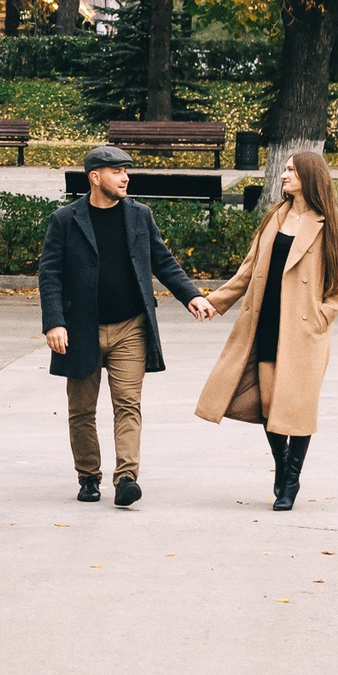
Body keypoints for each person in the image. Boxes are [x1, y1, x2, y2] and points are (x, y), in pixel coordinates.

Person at [39, 145, 215, 508]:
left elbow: (162, 262)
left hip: (130, 326)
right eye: (117, 171)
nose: (125, 177)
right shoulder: (65, 219)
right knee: (82, 409)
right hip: (80, 328)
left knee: (128, 404)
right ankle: (88, 475)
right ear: (95, 177)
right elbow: (50, 273)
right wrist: (54, 322)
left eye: (125, 171)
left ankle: (126, 478)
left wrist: (191, 296)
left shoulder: (139, 216)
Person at [194, 149, 338, 511]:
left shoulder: (332, 225)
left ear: (310, 178)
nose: (284, 175)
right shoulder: (274, 217)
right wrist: (215, 302)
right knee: (270, 404)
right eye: (285, 169)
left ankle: (291, 479)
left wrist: (322, 317)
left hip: (303, 330)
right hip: (267, 320)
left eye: (292, 170)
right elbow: (248, 270)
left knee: (295, 406)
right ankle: (282, 465)